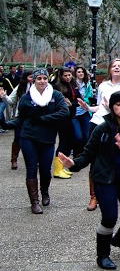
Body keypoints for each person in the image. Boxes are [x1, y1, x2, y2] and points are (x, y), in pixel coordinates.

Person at [59, 91, 120, 269]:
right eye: (118, 104)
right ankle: (102, 255)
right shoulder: (102, 128)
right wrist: (73, 164)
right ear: (111, 106)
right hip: (104, 178)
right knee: (109, 218)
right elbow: (87, 154)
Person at [0, 68, 69, 213]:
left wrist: (45, 119)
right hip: (29, 137)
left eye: (44, 78)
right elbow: (20, 119)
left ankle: (45, 192)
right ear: (34, 80)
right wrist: (5, 124)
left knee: (45, 171)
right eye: (39, 79)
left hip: (48, 138)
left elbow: (64, 111)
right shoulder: (26, 97)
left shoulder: (55, 95)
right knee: (31, 169)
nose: (42, 81)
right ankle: (34, 202)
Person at [77, 58, 120, 212]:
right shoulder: (103, 85)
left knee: (115, 159)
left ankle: (114, 191)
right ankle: (93, 196)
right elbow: (100, 107)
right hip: (98, 124)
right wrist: (88, 108)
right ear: (110, 69)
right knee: (94, 160)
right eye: (114, 66)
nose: (117, 68)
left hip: (117, 126)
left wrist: (115, 111)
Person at [51, 67, 79, 179]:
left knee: (70, 142)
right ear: (61, 76)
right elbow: (55, 102)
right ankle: (58, 170)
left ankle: (62, 167)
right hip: (61, 118)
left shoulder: (73, 85)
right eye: (65, 75)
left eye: (69, 75)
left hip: (71, 116)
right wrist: (64, 103)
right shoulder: (57, 87)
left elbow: (78, 100)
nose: (68, 77)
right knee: (63, 142)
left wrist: (71, 103)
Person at [1, 71, 32, 169]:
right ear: (26, 77)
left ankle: (34, 159)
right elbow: (11, 100)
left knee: (34, 138)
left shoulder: (41, 88)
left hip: (35, 117)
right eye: (31, 77)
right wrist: (4, 96)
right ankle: (14, 159)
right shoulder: (20, 88)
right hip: (21, 116)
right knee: (18, 138)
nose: (33, 79)